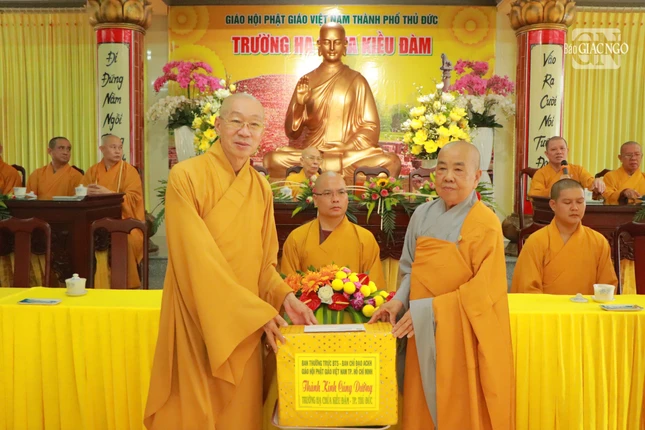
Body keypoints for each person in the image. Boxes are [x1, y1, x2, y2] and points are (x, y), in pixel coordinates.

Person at [144, 93, 316, 430]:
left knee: (239, 417)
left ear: (262, 133)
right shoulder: (186, 176)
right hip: (197, 316)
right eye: (236, 121)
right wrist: (255, 313)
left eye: (254, 124)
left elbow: (264, 265)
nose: (244, 131)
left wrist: (286, 297)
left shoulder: (260, 187)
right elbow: (197, 260)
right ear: (218, 124)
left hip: (245, 328)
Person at [369, 141, 514, 430]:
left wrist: (431, 310)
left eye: (458, 170)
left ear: (477, 177)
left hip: (459, 332)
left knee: (457, 404)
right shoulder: (422, 215)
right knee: (420, 403)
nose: (448, 176)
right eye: (442, 168)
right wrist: (399, 301)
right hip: (418, 326)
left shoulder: (485, 223)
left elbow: (484, 290)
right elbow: (410, 269)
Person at [263, 22, 401, 179]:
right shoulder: (307, 81)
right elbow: (292, 133)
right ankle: (331, 174)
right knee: (272, 160)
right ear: (319, 45)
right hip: (313, 155)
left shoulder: (357, 81)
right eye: (327, 42)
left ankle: (318, 175)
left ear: (345, 45)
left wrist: (346, 147)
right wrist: (300, 104)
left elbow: (370, 127)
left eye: (337, 42)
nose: (332, 47)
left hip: (347, 156)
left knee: (391, 162)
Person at [280, 171, 386, 290]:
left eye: (341, 193)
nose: (335, 199)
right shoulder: (297, 238)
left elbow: (374, 290)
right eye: (327, 193)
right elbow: (289, 289)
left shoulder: (365, 239)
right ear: (315, 199)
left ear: (347, 198)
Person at [512, 179, 617, 295]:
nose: (575, 208)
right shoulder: (536, 241)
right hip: (546, 306)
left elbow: (607, 286)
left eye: (580, 202)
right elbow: (527, 289)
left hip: (587, 306)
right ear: (553, 205)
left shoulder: (598, 241)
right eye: (567, 203)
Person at [82, 134, 145, 288]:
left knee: (125, 239)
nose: (118, 151)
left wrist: (109, 193)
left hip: (124, 221)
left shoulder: (129, 171)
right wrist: (85, 192)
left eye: (120, 147)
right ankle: (90, 283)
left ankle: (124, 284)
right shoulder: (93, 171)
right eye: (113, 147)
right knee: (80, 237)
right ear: (102, 149)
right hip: (95, 222)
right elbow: (80, 194)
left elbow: (134, 198)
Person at [529, 136, 604, 198]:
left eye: (562, 148)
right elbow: (534, 194)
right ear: (547, 154)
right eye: (553, 149)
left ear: (567, 151)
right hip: (550, 209)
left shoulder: (578, 170)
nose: (559, 152)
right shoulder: (540, 174)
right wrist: (558, 187)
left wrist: (597, 183)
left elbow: (591, 184)